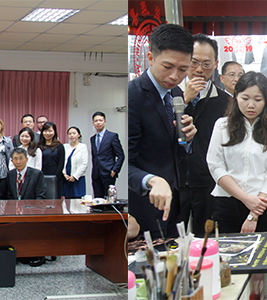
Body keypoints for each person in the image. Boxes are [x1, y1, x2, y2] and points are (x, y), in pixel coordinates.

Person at [127, 23, 197, 239]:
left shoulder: (175, 93)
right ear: (150, 58)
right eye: (168, 66)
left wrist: (187, 140)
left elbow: (173, 148)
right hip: (143, 204)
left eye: (183, 69)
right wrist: (150, 179)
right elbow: (126, 162)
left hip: (175, 201)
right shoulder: (132, 96)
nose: (175, 76)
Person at [206, 71, 267, 234]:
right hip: (227, 204)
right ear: (236, 97)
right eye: (245, 98)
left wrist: (253, 215)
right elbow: (216, 166)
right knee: (228, 257)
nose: (251, 105)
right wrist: (245, 198)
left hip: (263, 206)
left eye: (258, 100)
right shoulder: (222, 126)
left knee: (264, 257)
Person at [177, 34, 232, 237]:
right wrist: (184, 100)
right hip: (175, 181)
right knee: (172, 241)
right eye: (194, 63)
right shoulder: (170, 95)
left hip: (209, 182)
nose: (200, 69)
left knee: (206, 240)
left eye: (206, 64)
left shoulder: (226, 101)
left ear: (216, 64)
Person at [7, 147, 47, 266]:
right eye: (15, 159)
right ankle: (19, 253)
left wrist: (32, 211)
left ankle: (36, 254)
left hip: (31, 211)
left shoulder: (37, 174)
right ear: (12, 161)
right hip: (14, 211)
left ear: (26, 159)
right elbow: (9, 195)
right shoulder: (10, 174)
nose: (18, 162)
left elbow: (40, 196)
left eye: (21, 158)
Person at [89, 112, 124, 198]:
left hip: (108, 173)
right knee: (97, 199)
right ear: (93, 123)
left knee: (108, 199)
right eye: (96, 121)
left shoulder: (112, 136)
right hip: (96, 173)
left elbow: (121, 155)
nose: (98, 123)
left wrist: (115, 170)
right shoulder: (92, 139)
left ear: (105, 122)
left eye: (100, 120)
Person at [39, 121, 65, 199]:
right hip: (41, 177)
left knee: (54, 200)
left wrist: (55, 177)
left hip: (55, 177)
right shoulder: (38, 146)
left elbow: (61, 164)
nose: (47, 133)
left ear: (54, 132)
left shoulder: (59, 146)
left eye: (50, 131)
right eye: (45, 131)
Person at [62, 126, 88, 198]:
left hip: (78, 178)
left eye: (74, 133)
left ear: (78, 135)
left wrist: (75, 176)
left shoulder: (83, 147)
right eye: (70, 134)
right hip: (66, 178)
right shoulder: (65, 146)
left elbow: (84, 163)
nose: (72, 135)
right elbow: (62, 162)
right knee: (66, 202)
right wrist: (64, 174)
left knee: (77, 202)